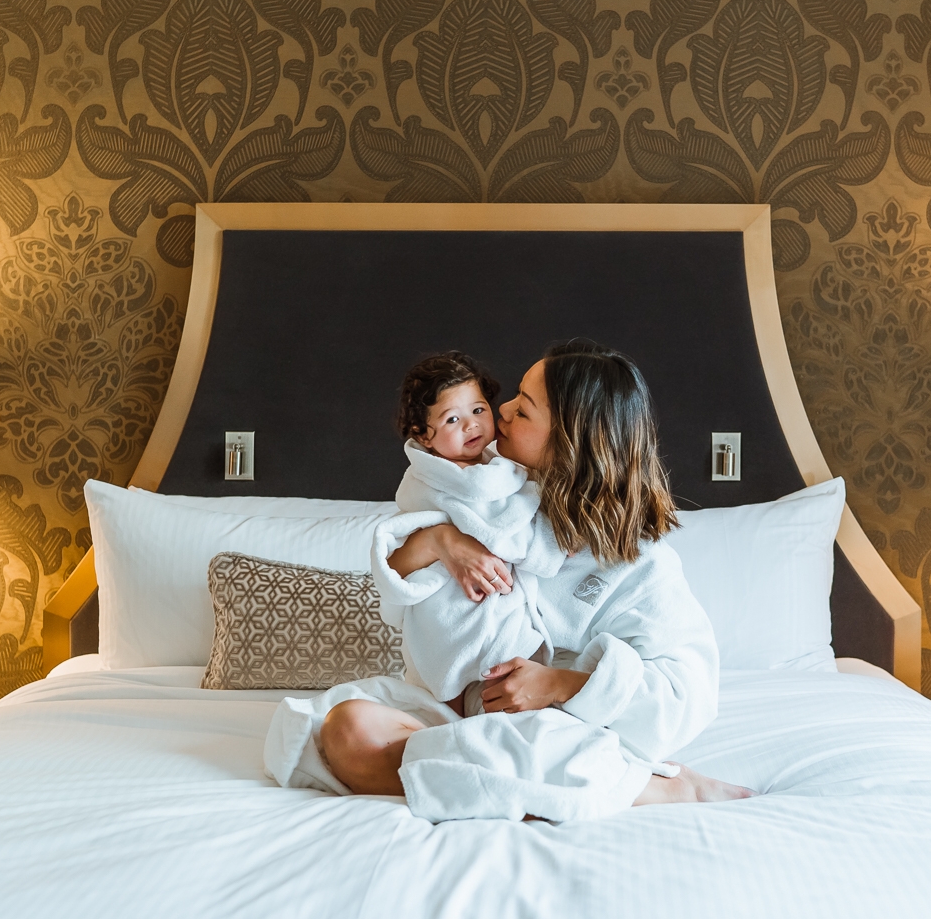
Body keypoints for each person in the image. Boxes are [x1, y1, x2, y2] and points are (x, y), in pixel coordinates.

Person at [265, 341, 751, 820]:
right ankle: (518, 776)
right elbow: (399, 588)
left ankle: (653, 787)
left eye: (525, 408)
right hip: (464, 710)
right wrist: (440, 542)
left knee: (536, 744)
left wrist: (559, 684)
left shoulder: (641, 562)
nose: (501, 409)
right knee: (346, 729)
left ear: (567, 439)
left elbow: (684, 698)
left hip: (563, 729)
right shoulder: (490, 498)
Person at [376, 351, 563, 708]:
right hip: (448, 609)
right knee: (450, 691)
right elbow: (503, 531)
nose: (471, 425)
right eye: (452, 419)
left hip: (499, 611)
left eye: (478, 410)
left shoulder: (504, 468)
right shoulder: (433, 481)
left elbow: (521, 513)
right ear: (423, 435)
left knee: (503, 691)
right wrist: (546, 547)